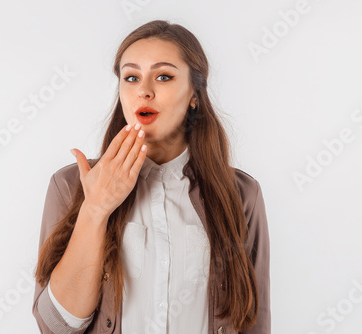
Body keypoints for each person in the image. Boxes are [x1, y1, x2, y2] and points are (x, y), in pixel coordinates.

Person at [32, 19, 270, 334]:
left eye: (163, 76)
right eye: (131, 77)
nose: (144, 90)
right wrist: (95, 210)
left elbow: (254, 319)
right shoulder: (71, 185)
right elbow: (58, 325)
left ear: (194, 95)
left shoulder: (241, 194)